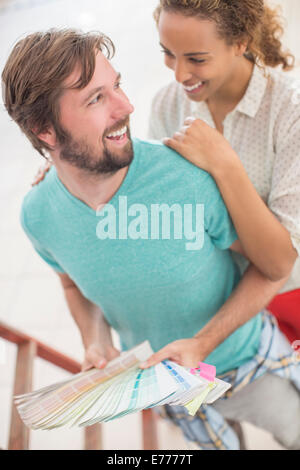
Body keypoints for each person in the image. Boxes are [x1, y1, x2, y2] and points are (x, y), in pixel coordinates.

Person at [2, 29, 299, 451]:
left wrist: (202, 343)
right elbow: (70, 282)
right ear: (43, 129)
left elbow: (269, 271)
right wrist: (94, 339)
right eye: (95, 99)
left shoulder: (189, 178)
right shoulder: (37, 216)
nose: (126, 107)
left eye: (116, 85)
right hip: (165, 384)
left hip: (247, 363)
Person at [148, 0, 300, 345]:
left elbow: (280, 261)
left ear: (241, 41)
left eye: (197, 59)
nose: (179, 74)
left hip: (289, 297)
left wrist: (224, 163)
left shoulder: (291, 112)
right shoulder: (166, 105)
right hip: (216, 300)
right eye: (168, 53)